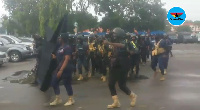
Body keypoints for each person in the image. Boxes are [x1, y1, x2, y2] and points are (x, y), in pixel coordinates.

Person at [104, 28, 137, 109]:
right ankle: (116, 102)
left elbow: (124, 46)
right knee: (110, 83)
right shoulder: (113, 43)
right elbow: (110, 49)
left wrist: (109, 43)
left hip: (123, 64)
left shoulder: (127, 42)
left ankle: (133, 96)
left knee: (121, 85)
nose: (113, 36)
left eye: (114, 35)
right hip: (114, 64)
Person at [50, 34, 75, 106]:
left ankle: (71, 99)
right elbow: (60, 58)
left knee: (67, 83)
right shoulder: (60, 47)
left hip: (66, 68)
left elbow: (66, 59)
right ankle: (58, 99)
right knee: (54, 82)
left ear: (63, 39)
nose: (59, 39)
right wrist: (54, 57)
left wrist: (61, 70)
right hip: (60, 67)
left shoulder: (67, 48)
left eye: (60, 38)